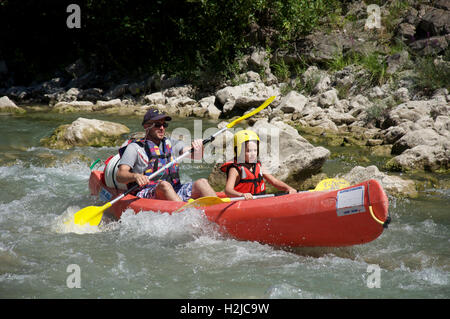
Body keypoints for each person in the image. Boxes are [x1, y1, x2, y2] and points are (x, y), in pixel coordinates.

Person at [116, 108, 217, 202]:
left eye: (164, 125)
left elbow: (197, 156)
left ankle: (219, 210)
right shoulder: (135, 148)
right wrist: (135, 176)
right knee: (164, 185)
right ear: (146, 126)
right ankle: (184, 213)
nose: (162, 128)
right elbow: (120, 175)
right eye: (157, 125)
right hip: (147, 192)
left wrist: (200, 146)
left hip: (175, 189)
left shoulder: (171, 143)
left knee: (202, 182)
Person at [221, 129, 297, 200]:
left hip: (258, 200)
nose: (253, 154)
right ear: (238, 151)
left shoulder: (258, 166)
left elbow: (274, 182)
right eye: (249, 151)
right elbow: (228, 190)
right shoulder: (235, 169)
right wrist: (241, 195)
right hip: (241, 201)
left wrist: (288, 188)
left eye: (255, 150)